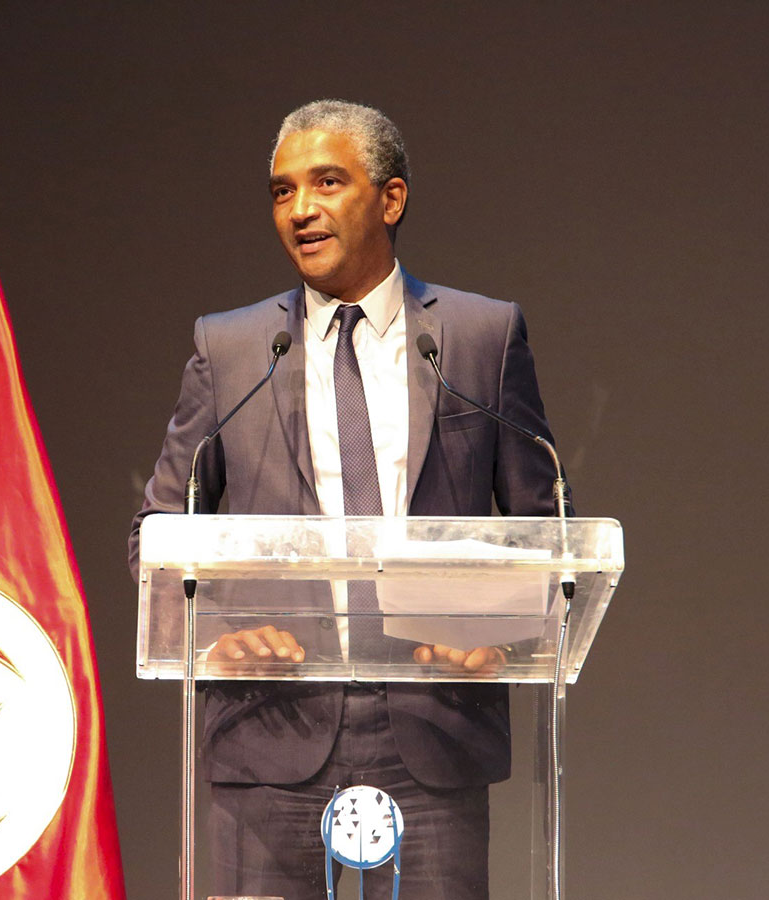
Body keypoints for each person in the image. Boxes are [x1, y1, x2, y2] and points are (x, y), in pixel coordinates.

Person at [129, 99, 563, 900]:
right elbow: (159, 530)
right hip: (268, 728)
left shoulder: (479, 337)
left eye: (327, 182)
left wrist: (493, 636)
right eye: (282, 191)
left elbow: (545, 531)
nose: (301, 209)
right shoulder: (232, 349)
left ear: (390, 199)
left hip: (435, 725)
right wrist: (220, 635)